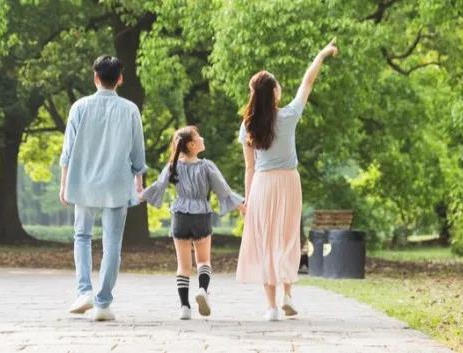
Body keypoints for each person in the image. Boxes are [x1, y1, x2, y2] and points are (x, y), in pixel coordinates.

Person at [236, 39, 338, 321]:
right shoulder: (289, 115)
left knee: (267, 242)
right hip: (289, 183)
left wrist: (248, 201)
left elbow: (249, 168)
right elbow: (308, 81)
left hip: (263, 186)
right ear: (275, 93)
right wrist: (322, 53)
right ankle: (289, 295)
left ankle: (271, 308)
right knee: (288, 239)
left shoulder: (248, 126)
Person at [59, 55, 147, 321]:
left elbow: (68, 151)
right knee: (112, 245)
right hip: (116, 183)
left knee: (82, 236)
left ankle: (84, 291)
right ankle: (103, 303)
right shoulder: (130, 109)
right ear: (119, 78)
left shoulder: (79, 107)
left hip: (83, 182)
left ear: (95, 77)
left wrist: (64, 185)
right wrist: (139, 183)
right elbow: (138, 155)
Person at [141, 126, 245, 320]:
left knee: (183, 265)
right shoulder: (207, 166)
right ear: (192, 144)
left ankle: (184, 307)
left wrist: (139, 196)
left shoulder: (173, 165)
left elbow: (157, 186)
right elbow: (224, 190)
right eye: (199, 136)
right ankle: (203, 291)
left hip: (180, 216)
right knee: (204, 260)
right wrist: (241, 205)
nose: (203, 138)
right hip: (201, 215)